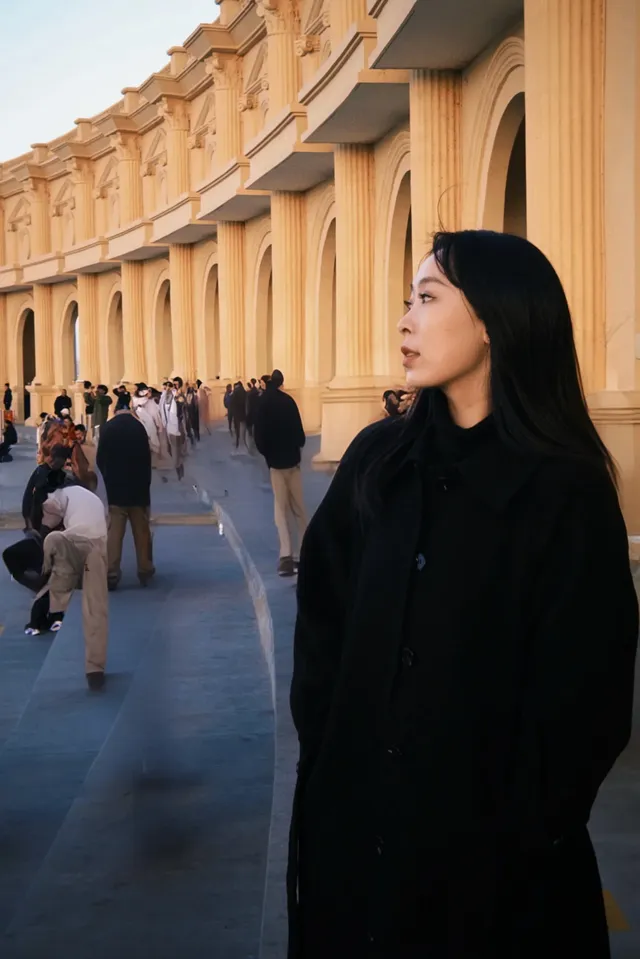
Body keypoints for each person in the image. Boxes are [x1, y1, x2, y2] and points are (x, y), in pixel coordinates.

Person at [287, 230, 639, 959]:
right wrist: (330, 764)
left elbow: (587, 701)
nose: (405, 320)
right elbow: (322, 618)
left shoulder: (564, 492)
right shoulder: (376, 462)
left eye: (427, 298)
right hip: (355, 858)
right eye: (407, 301)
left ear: (491, 322)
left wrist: (518, 830)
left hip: (500, 890)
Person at [29, 473, 109, 691]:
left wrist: (43, 529)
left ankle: (51, 601)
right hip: (98, 549)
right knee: (95, 607)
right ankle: (95, 669)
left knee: (54, 544)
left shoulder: (56, 496)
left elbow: (49, 518)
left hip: (75, 543)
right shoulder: (90, 498)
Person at [254, 369, 307, 577]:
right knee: (300, 509)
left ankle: (286, 555)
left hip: (276, 464)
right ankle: (304, 552)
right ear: (281, 383)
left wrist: (268, 454)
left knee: (281, 509)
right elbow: (300, 434)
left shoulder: (263, 404)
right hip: (293, 462)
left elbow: (259, 436)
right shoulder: (289, 401)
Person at [97, 406, 154, 590]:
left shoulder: (107, 428)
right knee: (141, 531)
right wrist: (146, 485)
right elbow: (147, 459)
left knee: (115, 533)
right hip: (138, 490)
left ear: (114, 411)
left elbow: (100, 458)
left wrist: (108, 478)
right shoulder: (139, 427)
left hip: (116, 489)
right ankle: (144, 569)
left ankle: (111, 573)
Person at [159, 376, 188, 480]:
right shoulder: (168, 396)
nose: (173, 386)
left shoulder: (179, 397)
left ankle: (178, 476)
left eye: (176, 385)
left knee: (176, 453)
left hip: (177, 428)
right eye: (172, 384)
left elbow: (182, 405)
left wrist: (176, 394)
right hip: (168, 427)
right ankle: (179, 472)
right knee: (171, 451)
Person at [132, 383, 163, 463]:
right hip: (140, 412)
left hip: (142, 411)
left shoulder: (143, 394)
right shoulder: (138, 395)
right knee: (149, 429)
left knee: (151, 429)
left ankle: (155, 450)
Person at [229, 381, 247, 449]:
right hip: (243, 412)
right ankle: (243, 442)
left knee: (237, 428)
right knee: (243, 428)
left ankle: (237, 441)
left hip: (236, 413)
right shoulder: (244, 391)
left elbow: (232, 402)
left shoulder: (235, 392)